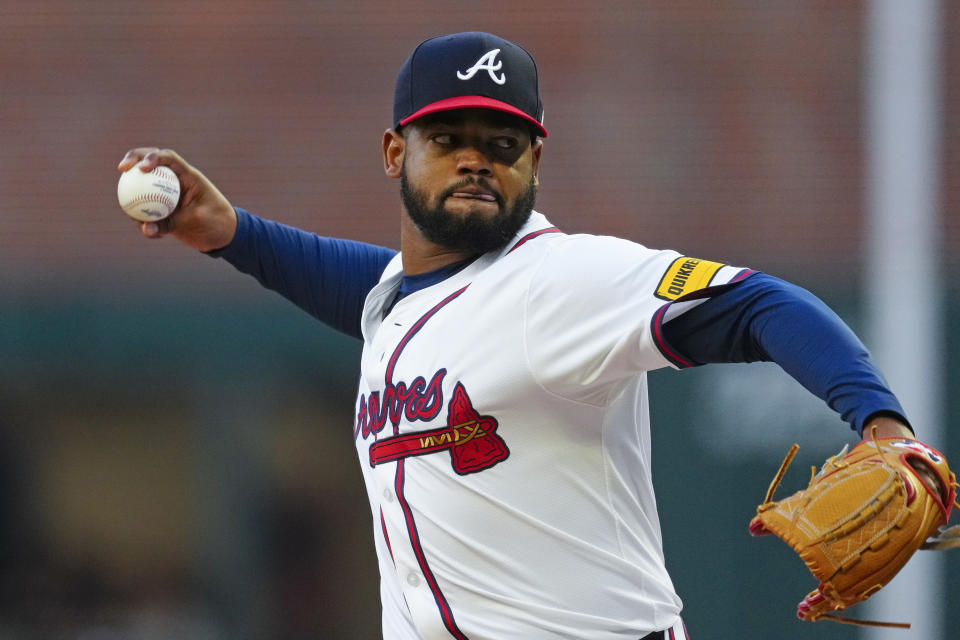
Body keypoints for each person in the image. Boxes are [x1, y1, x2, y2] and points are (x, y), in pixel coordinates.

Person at [118, 31, 939, 640]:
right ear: (393, 151)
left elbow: (763, 303)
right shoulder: (397, 298)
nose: (477, 160)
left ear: (535, 161)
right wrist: (231, 233)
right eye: (448, 141)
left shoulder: (566, 282)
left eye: (502, 145)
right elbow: (370, 291)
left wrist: (881, 422)